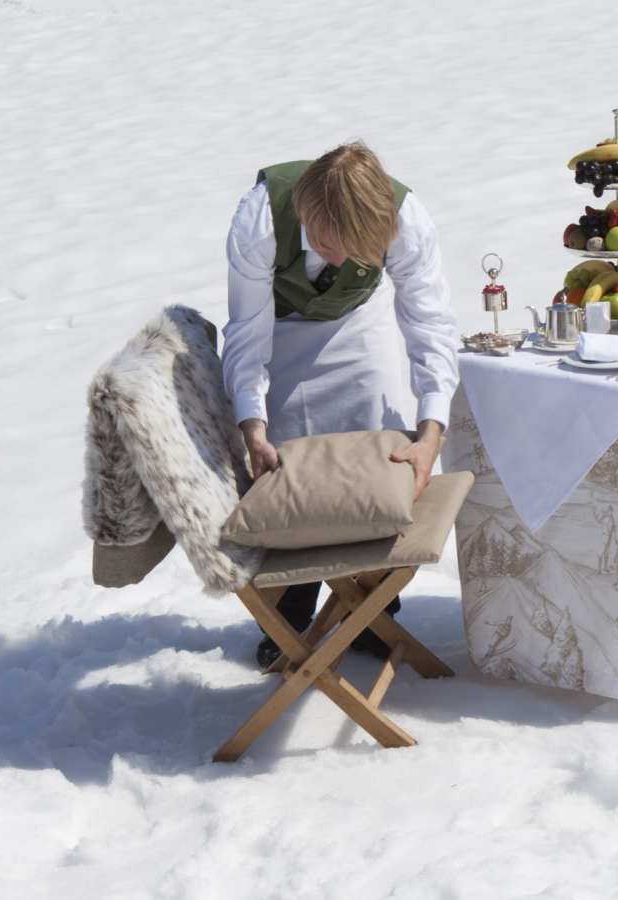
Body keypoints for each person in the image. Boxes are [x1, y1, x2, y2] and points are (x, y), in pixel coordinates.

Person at [222, 142, 459, 668]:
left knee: (374, 461)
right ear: (306, 214)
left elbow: (429, 324)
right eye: (329, 242)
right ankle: (288, 616)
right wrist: (252, 423)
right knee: (289, 472)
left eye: (356, 250)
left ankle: (374, 612)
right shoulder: (259, 218)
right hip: (278, 330)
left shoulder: (405, 217)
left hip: (359, 324)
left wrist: (430, 432)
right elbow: (246, 331)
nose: (338, 257)